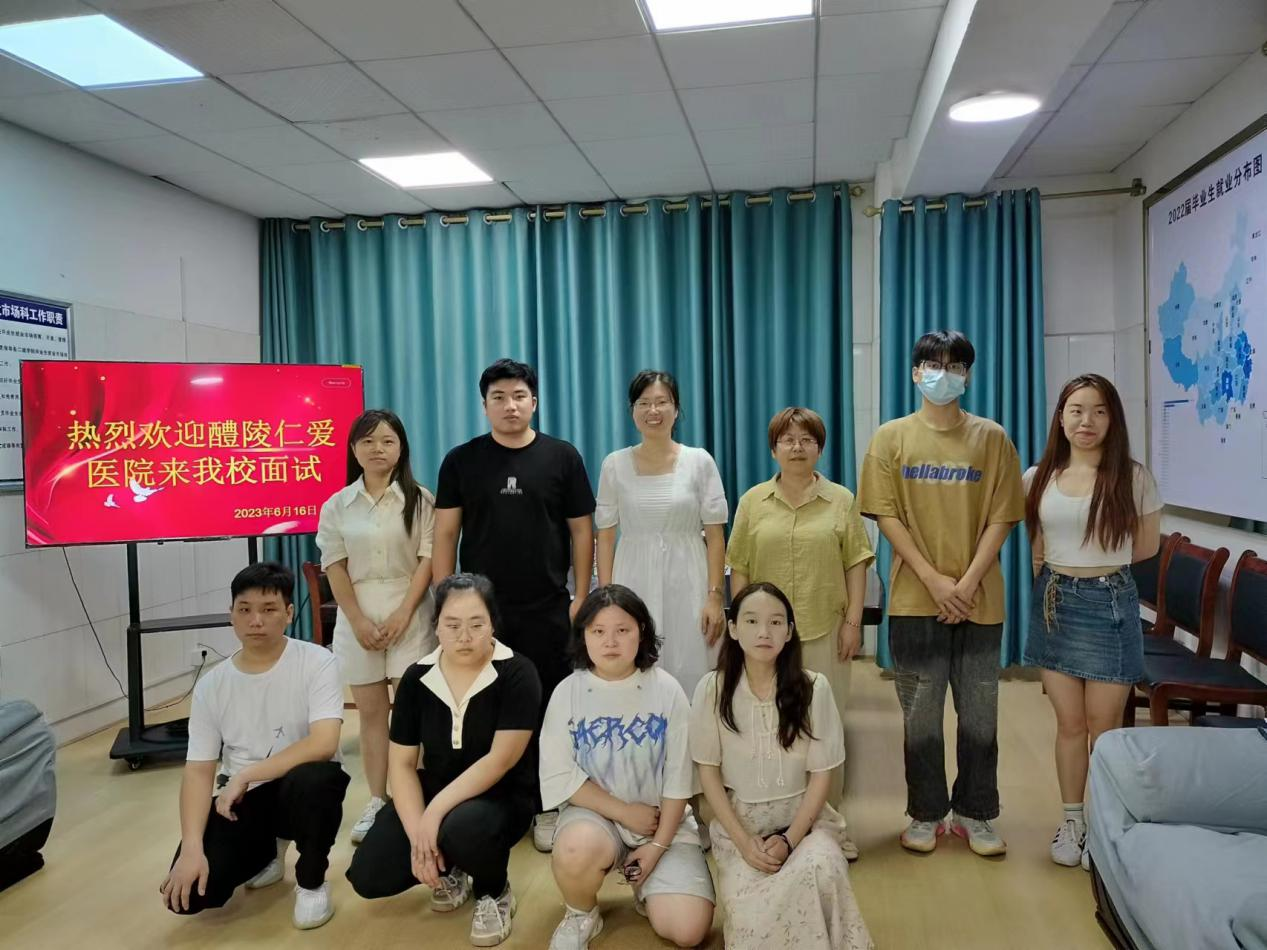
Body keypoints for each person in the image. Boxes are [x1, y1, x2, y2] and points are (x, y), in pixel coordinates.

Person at [858, 330, 1024, 857]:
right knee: (921, 716)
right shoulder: (891, 438)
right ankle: (926, 812)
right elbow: (886, 515)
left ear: (967, 376)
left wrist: (967, 581)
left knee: (980, 714)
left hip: (980, 599)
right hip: (915, 598)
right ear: (915, 373)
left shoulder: (992, 438)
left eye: (955, 366)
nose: (943, 375)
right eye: (934, 365)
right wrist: (933, 579)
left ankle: (975, 811)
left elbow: (1003, 515)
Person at [433, 358, 596, 852]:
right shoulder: (461, 460)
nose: (510, 405)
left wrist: (581, 597)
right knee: (484, 706)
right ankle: (495, 802)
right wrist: (445, 606)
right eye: (499, 397)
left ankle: (547, 802)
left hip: (547, 607)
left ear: (534, 402)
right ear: (484, 405)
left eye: (519, 396)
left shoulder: (562, 457)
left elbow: (581, 531)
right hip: (480, 615)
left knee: (546, 706)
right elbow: (445, 533)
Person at [346, 574, 541, 947]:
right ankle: (450, 867)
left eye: (476, 625)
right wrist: (419, 834)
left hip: (502, 796)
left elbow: (500, 761)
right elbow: (402, 764)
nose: (464, 636)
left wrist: (432, 815)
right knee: (369, 876)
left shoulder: (517, 672)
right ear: (435, 627)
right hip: (436, 788)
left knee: (463, 828)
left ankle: (493, 890)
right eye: (452, 625)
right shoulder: (417, 678)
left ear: (493, 624)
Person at [158, 562, 348, 930]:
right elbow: (198, 771)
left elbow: (324, 743)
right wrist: (192, 848)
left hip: (298, 788)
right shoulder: (212, 685)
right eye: (244, 610)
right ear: (231, 614)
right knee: (190, 897)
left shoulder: (318, 662)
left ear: (289, 614)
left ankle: (311, 881)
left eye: (268, 609)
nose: (256, 621)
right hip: (243, 800)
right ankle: (268, 850)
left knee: (317, 778)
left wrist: (246, 774)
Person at [1022, 374, 1161, 868]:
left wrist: (1097, 564)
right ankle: (1072, 821)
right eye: (1077, 410)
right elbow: (1038, 544)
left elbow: (1146, 546)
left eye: (1099, 411)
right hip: (1055, 602)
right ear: (1061, 418)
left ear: (1112, 419)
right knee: (1069, 724)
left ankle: (1103, 824)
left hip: (1111, 603)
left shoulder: (1133, 477)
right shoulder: (1037, 476)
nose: (1087, 421)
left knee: (1105, 727)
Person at [690, 582, 873, 950]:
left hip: (805, 826)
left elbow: (821, 774)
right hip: (741, 831)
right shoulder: (712, 689)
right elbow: (707, 773)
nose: (764, 632)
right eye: (752, 621)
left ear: (789, 632)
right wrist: (745, 843)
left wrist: (790, 841)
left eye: (776, 622)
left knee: (821, 867)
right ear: (733, 628)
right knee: (752, 922)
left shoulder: (814, 688)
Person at [726, 406, 873, 854]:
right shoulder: (753, 501)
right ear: (773, 449)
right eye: (787, 440)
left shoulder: (841, 500)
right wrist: (743, 628)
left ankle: (828, 826)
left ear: (819, 449)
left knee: (825, 730)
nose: (796, 447)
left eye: (806, 439)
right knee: (770, 730)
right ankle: (776, 823)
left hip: (824, 627)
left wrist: (853, 623)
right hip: (765, 640)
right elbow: (740, 566)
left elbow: (856, 562)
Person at [540, 585, 715, 950]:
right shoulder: (567, 692)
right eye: (598, 631)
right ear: (583, 635)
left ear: (642, 632)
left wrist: (657, 846)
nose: (610, 642)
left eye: (623, 630)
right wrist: (623, 813)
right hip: (596, 818)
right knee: (575, 849)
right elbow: (562, 777)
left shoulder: (667, 690)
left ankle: (648, 884)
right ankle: (581, 914)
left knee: (688, 932)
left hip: (660, 823)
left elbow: (679, 780)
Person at [316, 409, 436, 844]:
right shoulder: (337, 505)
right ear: (353, 449)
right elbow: (334, 566)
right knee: (370, 715)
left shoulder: (421, 500)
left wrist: (404, 613)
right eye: (367, 441)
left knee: (411, 712)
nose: (377, 449)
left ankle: (412, 798)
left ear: (401, 447)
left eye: (387, 441)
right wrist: (358, 620)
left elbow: (428, 560)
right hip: (358, 614)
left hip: (412, 611)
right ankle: (377, 799)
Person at [595, 369, 728, 699]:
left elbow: (715, 536)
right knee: (634, 662)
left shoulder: (699, 462)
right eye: (644, 403)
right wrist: (607, 599)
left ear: (676, 409)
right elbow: (606, 538)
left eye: (661, 402)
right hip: (633, 577)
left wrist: (715, 596)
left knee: (692, 663)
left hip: (689, 579)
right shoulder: (614, 465)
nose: (653, 411)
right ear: (632, 411)